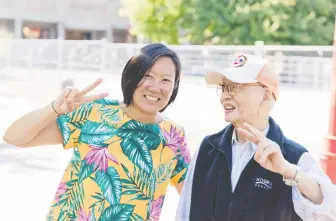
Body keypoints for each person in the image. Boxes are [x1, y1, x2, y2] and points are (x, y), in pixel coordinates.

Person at [3, 43, 191, 221]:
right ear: (132, 76)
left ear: (174, 86)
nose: (155, 86)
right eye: (148, 75)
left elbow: (194, 198)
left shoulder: (174, 136)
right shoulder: (96, 113)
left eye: (166, 80)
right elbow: (14, 137)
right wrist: (55, 108)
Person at [175, 54, 336, 221]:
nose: (224, 96)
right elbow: (184, 214)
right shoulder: (207, 148)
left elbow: (330, 212)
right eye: (224, 87)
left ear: (265, 95)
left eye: (235, 87)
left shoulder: (294, 157)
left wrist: (289, 171)